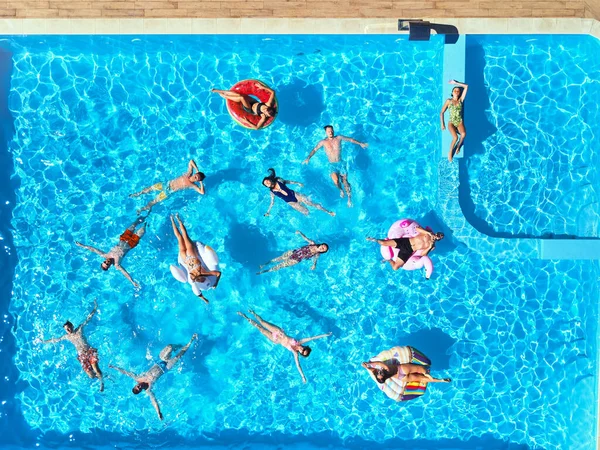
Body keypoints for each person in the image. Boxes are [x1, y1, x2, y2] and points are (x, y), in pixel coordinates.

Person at [110, 333, 197, 420]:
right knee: (179, 355)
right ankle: (191, 341)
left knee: (170, 347)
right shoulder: (148, 389)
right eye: (139, 389)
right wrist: (159, 412)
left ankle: (178, 345)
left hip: (159, 361)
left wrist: (115, 367)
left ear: (136, 385)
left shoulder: (138, 378)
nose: (139, 386)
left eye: (137, 386)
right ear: (141, 390)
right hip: (166, 368)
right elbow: (153, 401)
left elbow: (126, 372)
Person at [238, 310, 331, 383]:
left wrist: (303, 376)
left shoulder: (295, 353)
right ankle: (253, 312)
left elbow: (298, 365)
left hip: (276, 339)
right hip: (279, 332)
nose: (302, 350)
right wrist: (325, 335)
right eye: (304, 349)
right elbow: (312, 338)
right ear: (305, 347)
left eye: (303, 352)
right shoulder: (300, 341)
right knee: (262, 322)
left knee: (260, 328)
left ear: (301, 353)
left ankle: (244, 316)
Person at [42, 300, 104, 392]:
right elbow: (55, 340)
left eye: (69, 327)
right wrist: (44, 341)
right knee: (91, 376)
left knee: (96, 369)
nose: (69, 330)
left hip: (89, 351)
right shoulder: (66, 337)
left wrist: (95, 308)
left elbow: (88, 319)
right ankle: (101, 376)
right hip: (82, 356)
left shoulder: (79, 329)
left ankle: (101, 383)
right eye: (67, 329)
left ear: (72, 325)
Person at [303, 125, 368, 207]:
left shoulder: (339, 138)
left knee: (345, 182)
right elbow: (315, 149)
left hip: (341, 163)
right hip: (332, 165)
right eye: (329, 131)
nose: (331, 132)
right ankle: (340, 190)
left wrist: (360, 143)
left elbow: (350, 140)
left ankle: (349, 199)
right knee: (336, 181)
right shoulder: (323, 142)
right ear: (326, 132)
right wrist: (308, 157)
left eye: (331, 130)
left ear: (333, 130)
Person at [76, 215, 147, 288]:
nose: (107, 262)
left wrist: (83, 246)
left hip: (123, 238)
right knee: (143, 228)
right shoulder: (117, 264)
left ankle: (147, 213)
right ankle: (148, 221)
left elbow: (94, 249)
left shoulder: (105, 255)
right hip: (131, 243)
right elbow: (124, 273)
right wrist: (132, 282)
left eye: (105, 262)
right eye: (107, 264)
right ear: (109, 266)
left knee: (135, 223)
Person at [170, 214, 221, 304]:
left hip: (190, 254)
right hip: (186, 257)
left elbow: (198, 292)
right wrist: (215, 284)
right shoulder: (195, 277)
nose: (201, 279)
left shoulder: (202, 274)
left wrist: (205, 298)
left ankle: (176, 220)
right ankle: (173, 220)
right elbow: (198, 293)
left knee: (183, 236)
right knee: (180, 237)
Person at [130, 159, 205, 214]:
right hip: (166, 184)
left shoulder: (192, 185)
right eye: (196, 175)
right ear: (195, 174)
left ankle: (141, 209)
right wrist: (197, 169)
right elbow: (191, 161)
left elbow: (202, 192)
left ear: (197, 181)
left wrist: (201, 182)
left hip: (169, 192)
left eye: (196, 178)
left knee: (154, 201)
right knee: (150, 188)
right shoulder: (189, 173)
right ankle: (137, 194)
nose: (195, 177)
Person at [262, 168, 334, 217]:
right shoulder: (272, 192)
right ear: (267, 186)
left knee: (312, 204)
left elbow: (287, 181)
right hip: (292, 203)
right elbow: (272, 202)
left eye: (267, 181)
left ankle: (328, 212)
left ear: (270, 179)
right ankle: (318, 219)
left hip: (296, 195)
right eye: (266, 184)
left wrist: (297, 183)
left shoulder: (279, 180)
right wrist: (268, 211)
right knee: (307, 213)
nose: (267, 183)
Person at [366, 227, 444, 271]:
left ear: (439, 239)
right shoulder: (428, 232)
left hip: (408, 250)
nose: (438, 237)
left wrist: (429, 247)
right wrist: (428, 233)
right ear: (437, 233)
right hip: (405, 242)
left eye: (440, 237)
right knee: (384, 243)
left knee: (395, 268)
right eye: (439, 235)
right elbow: (417, 229)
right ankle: (374, 239)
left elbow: (423, 255)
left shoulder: (432, 246)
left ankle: (389, 260)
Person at [212, 81, 277, 130]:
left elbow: (257, 128)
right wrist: (262, 87)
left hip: (249, 109)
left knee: (241, 97)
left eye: (267, 115)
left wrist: (247, 122)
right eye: (266, 112)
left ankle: (223, 94)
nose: (265, 113)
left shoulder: (263, 116)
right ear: (268, 108)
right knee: (239, 95)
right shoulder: (268, 104)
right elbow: (273, 92)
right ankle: (220, 91)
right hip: (253, 101)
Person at [258, 230, 328, 275]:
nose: (322, 248)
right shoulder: (312, 243)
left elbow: (315, 260)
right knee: (278, 259)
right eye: (323, 246)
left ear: (323, 251)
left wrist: (314, 265)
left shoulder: (317, 254)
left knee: (281, 265)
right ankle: (264, 265)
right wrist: (300, 233)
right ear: (321, 244)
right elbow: (305, 238)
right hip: (293, 252)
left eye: (324, 249)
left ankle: (265, 271)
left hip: (295, 260)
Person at [440, 79, 468, 162]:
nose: (456, 91)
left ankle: (458, 146)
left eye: (458, 91)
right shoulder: (449, 101)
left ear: (459, 93)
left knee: (463, 134)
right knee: (455, 137)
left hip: (459, 122)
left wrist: (456, 83)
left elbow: (466, 86)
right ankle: (450, 152)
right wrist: (442, 123)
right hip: (451, 122)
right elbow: (441, 112)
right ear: (452, 92)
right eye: (455, 90)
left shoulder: (461, 101)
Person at [362, 361, 451, 385]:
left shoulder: (380, 374)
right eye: (381, 375)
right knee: (421, 371)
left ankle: (441, 380)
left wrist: (367, 366)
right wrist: (370, 364)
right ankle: (440, 380)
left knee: (421, 376)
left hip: (401, 378)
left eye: (378, 375)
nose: (379, 374)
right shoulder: (386, 369)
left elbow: (372, 371)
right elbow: (379, 364)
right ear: (383, 376)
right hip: (402, 370)